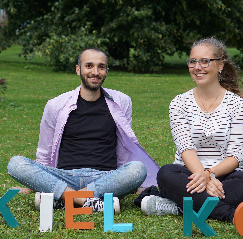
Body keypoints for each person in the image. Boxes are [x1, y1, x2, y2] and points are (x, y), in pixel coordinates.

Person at [141, 37, 243, 226]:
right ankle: (234, 215)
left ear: (220, 65)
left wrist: (211, 175)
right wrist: (203, 176)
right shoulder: (179, 103)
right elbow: (185, 148)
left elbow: (235, 155)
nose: (198, 67)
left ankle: (180, 206)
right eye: (193, 61)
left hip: (227, 177)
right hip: (189, 175)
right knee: (166, 173)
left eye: (205, 61)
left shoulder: (237, 104)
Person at [7, 48, 159, 213]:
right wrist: (37, 182)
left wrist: (132, 181)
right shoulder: (56, 105)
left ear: (107, 71)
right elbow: (45, 150)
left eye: (101, 67)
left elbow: (124, 147)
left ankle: (63, 200)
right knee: (16, 163)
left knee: (138, 169)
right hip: (64, 176)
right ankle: (87, 201)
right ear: (78, 69)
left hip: (104, 177)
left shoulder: (121, 102)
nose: (95, 72)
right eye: (89, 66)